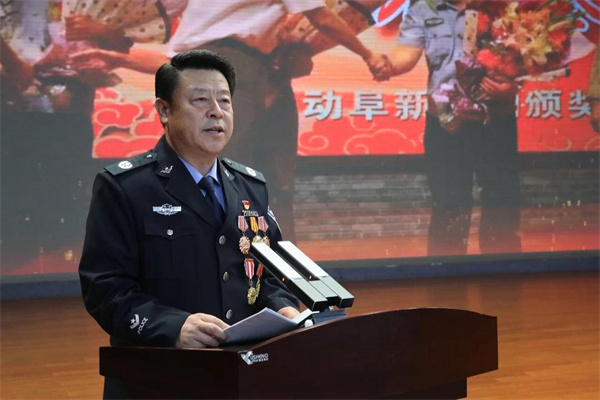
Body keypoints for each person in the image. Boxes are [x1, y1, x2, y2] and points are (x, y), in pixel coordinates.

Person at [69, 0, 391, 241]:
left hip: (240, 71)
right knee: (239, 178)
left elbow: (177, 49)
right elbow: (321, 16)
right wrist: (369, 54)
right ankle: (248, 276)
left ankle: (266, 276)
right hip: (238, 69)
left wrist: (116, 51)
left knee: (243, 177)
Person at [78, 49, 300, 399]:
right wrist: (173, 327)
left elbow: (268, 275)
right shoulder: (125, 186)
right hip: (158, 379)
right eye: (200, 100)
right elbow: (104, 289)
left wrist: (284, 308)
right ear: (164, 111)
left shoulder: (251, 186)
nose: (216, 111)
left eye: (224, 101)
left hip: (240, 378)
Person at [384, 0, 522, 255]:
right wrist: (387, 65)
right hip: (446, 122)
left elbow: (529, 56)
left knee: (501, 202)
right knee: (448, 203)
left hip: (495, 119)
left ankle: (504, 273)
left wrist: (515, 85)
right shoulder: (424, 7)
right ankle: (446, 273)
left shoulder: (504, 6)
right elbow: (407, 52)